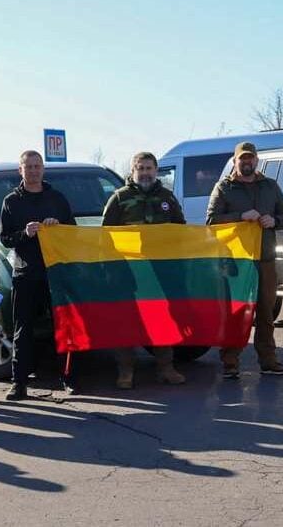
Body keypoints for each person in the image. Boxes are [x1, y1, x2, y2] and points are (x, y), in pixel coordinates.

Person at [206, 141, 283, 379]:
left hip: (265, 258)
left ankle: (268, 360)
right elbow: (211, 220)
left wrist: (275, 220)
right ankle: (230, 362)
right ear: (235, 162)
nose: (247, 162)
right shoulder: (224, 188)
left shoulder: (270, 186)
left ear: (256, 160)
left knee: (266, 312)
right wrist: (240, 217)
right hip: (236, 262)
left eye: (250, 158)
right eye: (242, 159)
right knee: (236, 312)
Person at [102, 151, 187, 389]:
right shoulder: (119, 198)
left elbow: (180, 232)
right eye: (141, 168)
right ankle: (126, 371)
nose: (145, 173)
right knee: (127, 320)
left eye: (149, 168)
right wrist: (111, 269)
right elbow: (105, 236)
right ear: (133, 171)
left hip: (160, 271)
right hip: (128, 272)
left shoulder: (167, 198)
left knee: (162, 318)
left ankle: (166, 368)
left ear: (156, 170)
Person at [0, 150, 76, 401]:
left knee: (62, 325)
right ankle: (18, 382)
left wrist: (59, 227)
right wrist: (25, 233)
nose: (33, 170)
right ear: (20, 170)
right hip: (26, 272)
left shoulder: (57, 198)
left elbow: (73, 233)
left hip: (55, 272)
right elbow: (6, 239)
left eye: (37, 166)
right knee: (23, 328)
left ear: (43, 169)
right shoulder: (11, 201)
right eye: (28, 166)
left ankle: (68, 378)